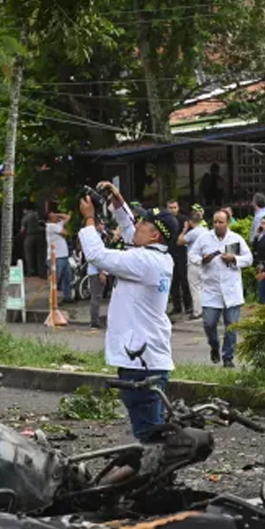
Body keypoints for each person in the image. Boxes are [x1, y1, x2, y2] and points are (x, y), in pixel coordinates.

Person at [78, 182, 178, 441]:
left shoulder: (143, 261)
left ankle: (157, 477)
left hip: (140, 363)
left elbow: (97, 255)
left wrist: (90, 219)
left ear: (155, 235)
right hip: (150, 359)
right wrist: (117, 201)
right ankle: (159, 475)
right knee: (153, 431)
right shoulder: (159, 257)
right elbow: (130, 229)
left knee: (149, 438)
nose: (138, 225)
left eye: (144, 223)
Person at [190, 210, 253, 367]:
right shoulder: (204, 238)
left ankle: (228, 357)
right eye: (215, 222)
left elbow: (249, 259)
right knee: (209, 323)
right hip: (211, 289)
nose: (217, 225)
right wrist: (203, 260)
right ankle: (214, 345)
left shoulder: (235, 239)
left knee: (231, 326)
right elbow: (192, 255)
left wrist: (234, 259)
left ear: (228, 223)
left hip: (231, 289)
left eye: (221, 222)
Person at [180, 205, 208, 320]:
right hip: (205, 261)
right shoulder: (206, 231)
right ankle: (205, 309)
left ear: (190, 222)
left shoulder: (192, 233)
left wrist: (184, 230)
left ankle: (197, 311)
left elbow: (180, 241)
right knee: (203, 287)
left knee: (195, 288)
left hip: (193, 262)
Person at [166, 199, 193, 316]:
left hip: (182, 254)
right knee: (173, 282)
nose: (172, 210)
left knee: (184, 280)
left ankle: (188, 305)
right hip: (169, 253)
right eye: (170, 208)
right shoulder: (164, 220)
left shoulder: (184, 220)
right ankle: (177, 306)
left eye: (174, 207)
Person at [86, 219, 110, 329]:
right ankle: (94, 321)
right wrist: (101, 272)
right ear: (96, 225)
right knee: (96, 297)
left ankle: (95, 320)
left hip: (97, 270)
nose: (103, 226)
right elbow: (98, 257)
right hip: (95, 271)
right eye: (101, 224)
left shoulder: (101, 236)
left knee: (97, 296)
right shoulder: (96, 238)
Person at [46, 212, 73, 302]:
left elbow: (68, 217)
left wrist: (57, 214)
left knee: (67, 277)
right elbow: (65, 232)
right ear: (49, 219)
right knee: (56, 279)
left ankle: (67, 297)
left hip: (63, 255)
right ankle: (53, 299)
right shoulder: (50, 226)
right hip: (56, 257)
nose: (56, 218)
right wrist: (57, 219)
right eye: (53, 216)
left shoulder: (57, 224)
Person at [20, 205, 45, 277]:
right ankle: (41, 272)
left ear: (26, 210)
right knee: (40, 255)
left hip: (30, 236)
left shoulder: (26, 217)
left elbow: (22, 230)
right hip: (40, 236)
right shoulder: (38, 215)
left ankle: (30, 271)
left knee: (28, 254)